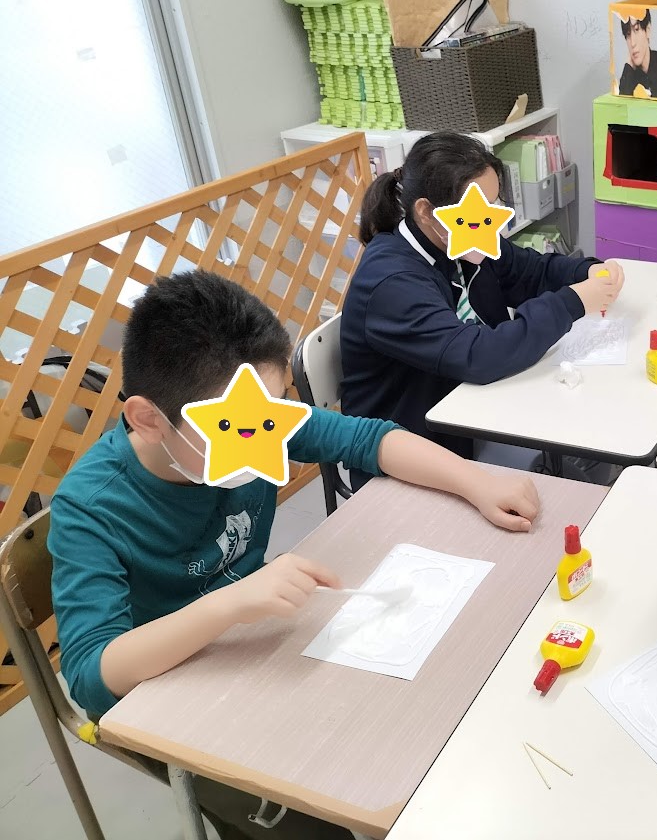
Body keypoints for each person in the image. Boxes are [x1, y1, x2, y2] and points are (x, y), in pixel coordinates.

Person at [49, 270, 541, 840]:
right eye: (242, 429)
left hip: (258, 650)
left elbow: (367, 439)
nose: (268, 435)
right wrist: (228, 605)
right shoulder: (91, 508)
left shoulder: (252, 419)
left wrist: (474, 480)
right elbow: (92, 678)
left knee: (418, 730)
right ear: (148, 419)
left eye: (277, 409)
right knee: (318, 815)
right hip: (170, 694)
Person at [341, 132, 623, 483]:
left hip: (473, 413)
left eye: (492, 207)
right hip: (415, 451)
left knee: (595, 437)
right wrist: (574, 301)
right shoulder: (391, 282)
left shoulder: (466, 238)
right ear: (426, 212)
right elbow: (476, 356)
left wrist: (587, 271)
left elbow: (530, 270)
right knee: (570, 475)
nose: (490, 222)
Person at [616, 9, 657, 99]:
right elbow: (622, 104)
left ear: (647, 30)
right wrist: (628, 66)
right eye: (628, 34)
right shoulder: (629, 75)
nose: (632, 43)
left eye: (636, 29)